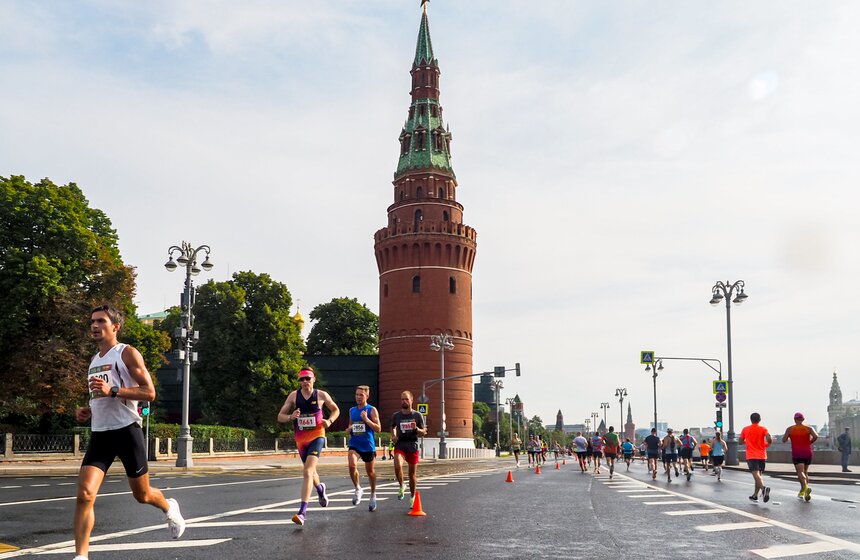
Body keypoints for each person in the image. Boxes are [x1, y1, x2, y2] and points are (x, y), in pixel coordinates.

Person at [73, 305, 186, 560]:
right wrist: (87, 410)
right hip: (101, 434)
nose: (94, 325)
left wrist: (113, 391)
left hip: (127, 431)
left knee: (142, 495)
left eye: (101, 321)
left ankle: (170, 507)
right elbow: (99, 397)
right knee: (84, 495)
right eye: (92, 321)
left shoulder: (127, 353)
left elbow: (149, 393)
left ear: (115, 327)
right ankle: (81, 556)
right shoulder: (94, 360)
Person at [277, 367, 340, 525]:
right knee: (310, 473)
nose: (305, 382)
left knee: (307, 471)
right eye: (302, 379)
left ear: (313, 379)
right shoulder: (294, 396)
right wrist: (291, 416)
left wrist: (330, 421)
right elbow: (280, 416)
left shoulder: (321, 395)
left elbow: (335, 409)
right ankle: (320, 489)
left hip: (317, 437)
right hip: (301, 440)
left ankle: (302, 513)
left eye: (307, 378)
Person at [346, 385, 382, 512]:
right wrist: (349, 429)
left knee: (370, 472)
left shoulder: (371, 410)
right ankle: (358, 488)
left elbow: (378, 429)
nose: (358, 397)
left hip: (367, 445)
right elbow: (351, 425)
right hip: (354, 443)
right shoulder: (352, 410)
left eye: (361, 395)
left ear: (367, 396)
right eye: (357, 394)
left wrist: (366, 419)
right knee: (351, 466)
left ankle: (373, 495)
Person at [391, 390, 427, 505]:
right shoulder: (396, 415)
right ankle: (402, 485)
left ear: (411, 400)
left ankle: (412, 497)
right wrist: (393, 435)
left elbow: (424, 432)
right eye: (402, 399)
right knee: (397, 463)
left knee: (412, 475)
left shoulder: (417, 415)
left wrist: (416, 429)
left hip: (412, 445)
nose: (404, 401)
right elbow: (392, 427)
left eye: (406, 399)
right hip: (401, 444)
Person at [781, 412, 818, 501]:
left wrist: (789, 436)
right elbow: (816, 436)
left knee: (800, 472)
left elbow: (783, 440)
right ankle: (803, 492)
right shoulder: (809, 428)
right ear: (803, 419)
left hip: (797, 453)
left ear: (794, 419)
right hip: (808, 452)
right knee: (805, 472)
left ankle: (805, 487)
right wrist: (810, 442)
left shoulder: (790, 429)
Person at [739, 412, 773, 502]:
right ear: (759, 419)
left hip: (751, 455)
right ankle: (755, 495)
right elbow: (769, 439)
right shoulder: (763, 429)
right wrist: (766, 444)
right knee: (758, 476)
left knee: (756, 475)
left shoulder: (745, 429)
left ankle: (763, 488)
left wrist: (746, 441)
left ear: (751, 419)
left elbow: (740, 441)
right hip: (762, 455)